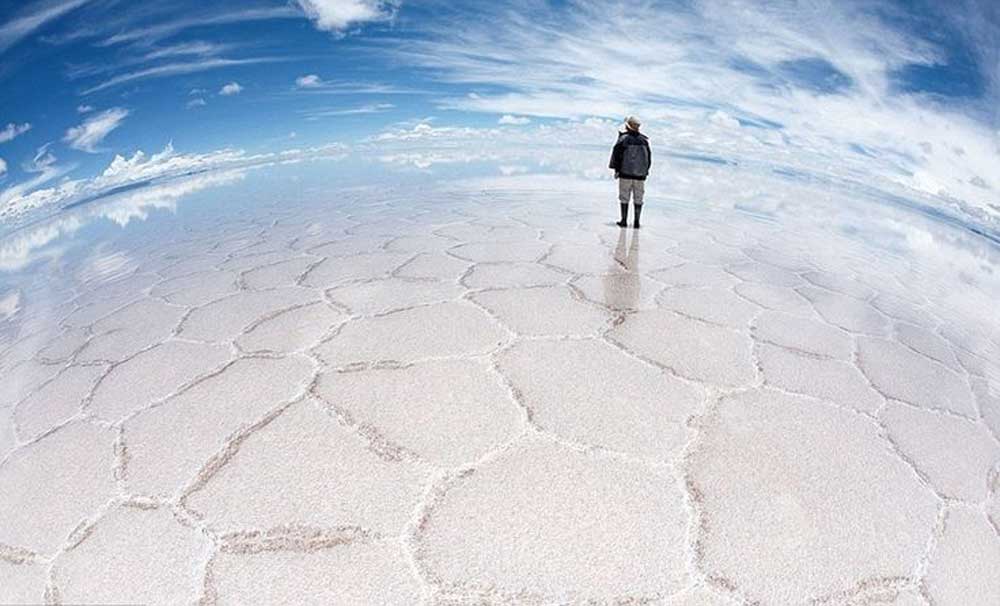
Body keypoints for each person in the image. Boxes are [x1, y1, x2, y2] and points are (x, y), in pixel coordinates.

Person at [608, 116, 651, 229]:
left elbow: (616, 156)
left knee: (624, 197)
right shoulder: (644, 140)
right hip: (640, 175)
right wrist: (645, 172)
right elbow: (649, 159)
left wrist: (616, 170)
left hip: (625, 173)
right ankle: (636, 222)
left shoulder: (623, 139)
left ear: (627, 126)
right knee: (639, 198)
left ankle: (624, 221)